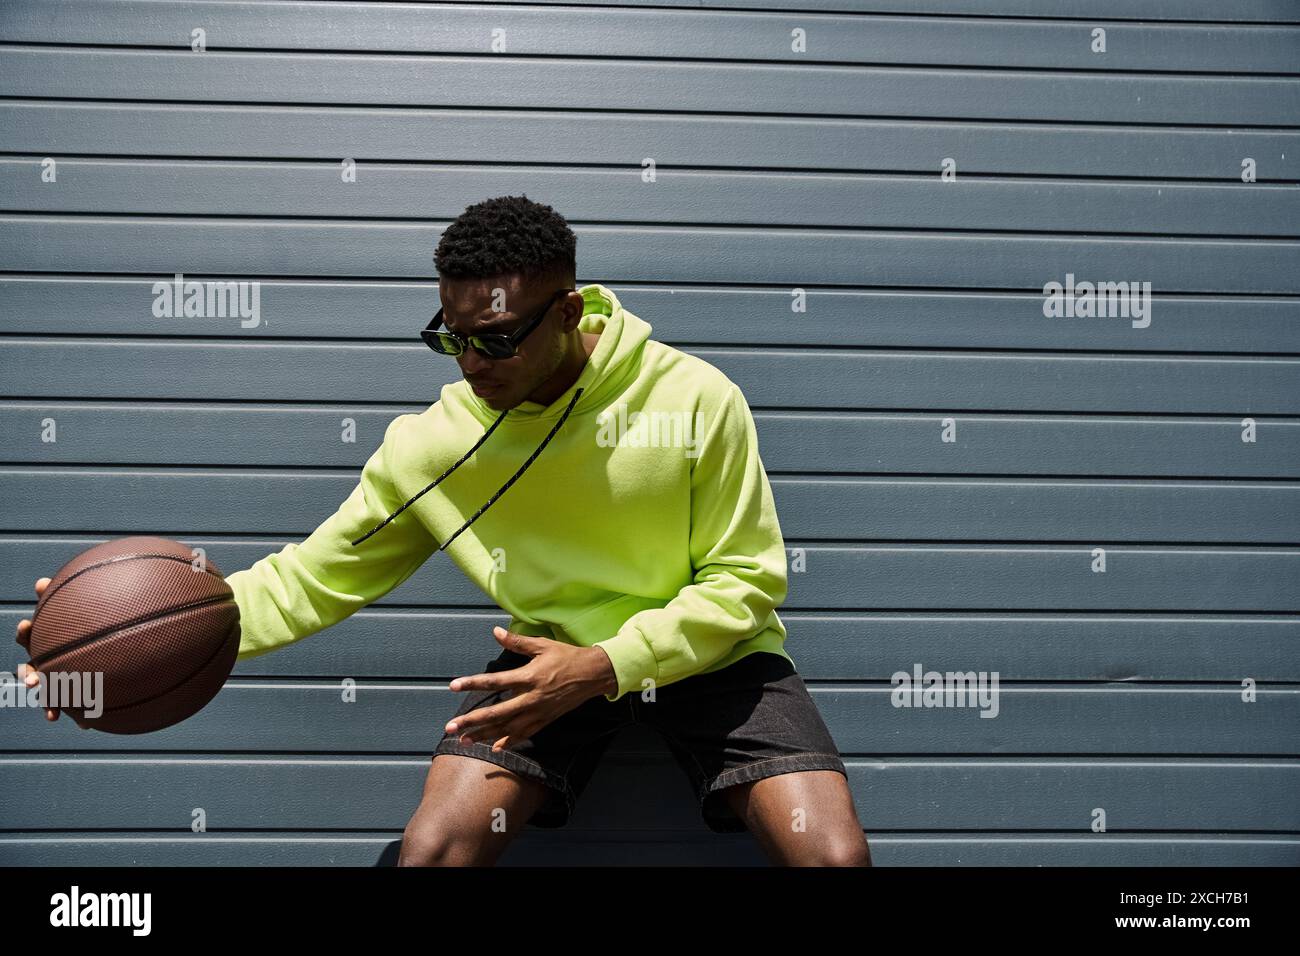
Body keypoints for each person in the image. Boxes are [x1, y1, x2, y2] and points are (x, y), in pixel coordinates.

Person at [16, 194, 870, 866]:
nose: (470, 364)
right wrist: (108, 636)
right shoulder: (434, 445)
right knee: (433, 852)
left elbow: (746, 580)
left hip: (709, 654)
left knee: (832, 854)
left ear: (569, 311)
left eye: (495, 340)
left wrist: (611, 664)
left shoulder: (694, 398)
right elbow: (313, 576)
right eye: (450, 338)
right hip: (547, 654)